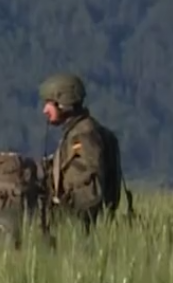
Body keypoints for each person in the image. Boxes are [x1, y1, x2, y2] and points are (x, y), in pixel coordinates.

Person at [39, 72, 130, 230]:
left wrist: (59, 212)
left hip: (80, 227)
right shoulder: (76, 133)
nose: (45, 110)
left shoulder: (83, 136)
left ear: (63, 103)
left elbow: (90, 191)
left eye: (49, 103)